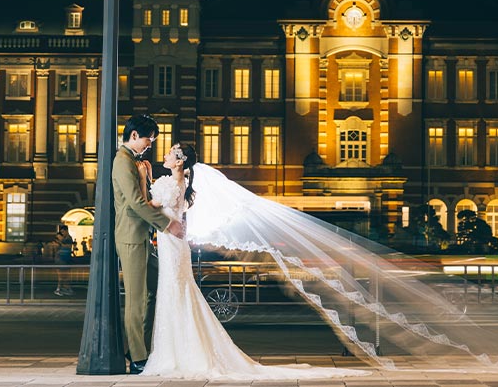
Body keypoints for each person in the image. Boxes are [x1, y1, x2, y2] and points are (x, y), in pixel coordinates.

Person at [140, 143, 366, 379]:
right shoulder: (181, 184)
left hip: (172, 245)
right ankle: (182, 350)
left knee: (174, 292)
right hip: (174, 245)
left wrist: (144, 176)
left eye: (170, 153)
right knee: (178, 292)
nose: (165, 154)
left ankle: (176, 352)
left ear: (178, 162)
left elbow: (147, 205)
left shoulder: (170, 184)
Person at [113, 114, 184, 375]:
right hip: (131, 236)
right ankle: (137, 356)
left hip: (143, 236)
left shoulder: (136, 162)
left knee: (153, 291)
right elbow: (134, 203)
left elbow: (144, 199)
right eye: (148, 139)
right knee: (136, 299)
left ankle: (140, 348)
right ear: (134, 136)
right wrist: (167, 224)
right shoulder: (122, 161)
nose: (150, 144)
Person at [54, 225, 75, 296]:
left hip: (65, 258)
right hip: (61, 259)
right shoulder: (64, 239)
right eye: (61, 232)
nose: (62, 233)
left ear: (66, 231)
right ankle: (60, 289)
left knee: (65, 275)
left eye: (63, 232)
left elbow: (68, 246)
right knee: (62, 275)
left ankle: (64, 288)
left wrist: (60, 243)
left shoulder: (68, 238)